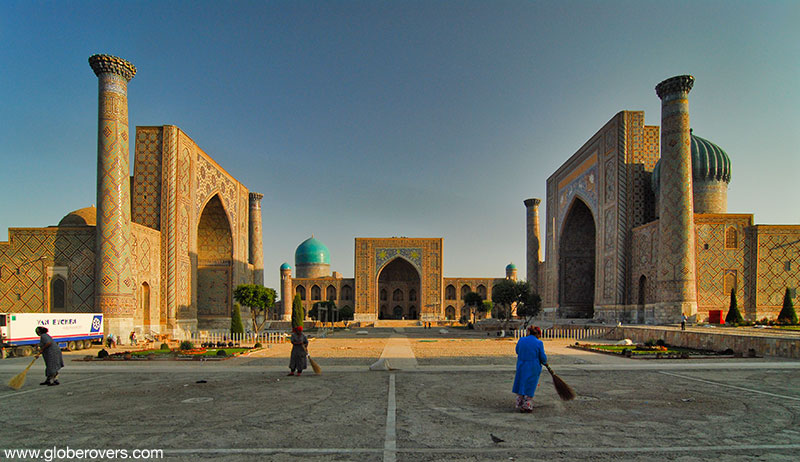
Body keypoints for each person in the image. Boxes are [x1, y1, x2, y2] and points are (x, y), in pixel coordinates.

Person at [512, 325, 548, 412]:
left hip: (521, 365)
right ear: (538, 334)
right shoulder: (539, 343)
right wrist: (545, 362)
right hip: (533, 366)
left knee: (521, 382)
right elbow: (542, 357)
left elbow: (517, 351)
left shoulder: (521, 340)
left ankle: (520, 401)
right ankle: (527, 405)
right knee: (530, 384)